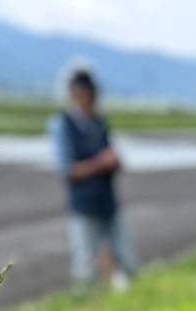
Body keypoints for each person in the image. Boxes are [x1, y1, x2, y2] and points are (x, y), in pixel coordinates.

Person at [50, 68, 138, 291]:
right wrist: (101, 162)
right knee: (85, 264)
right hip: (83, 204)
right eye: (85, 92)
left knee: (126, 257)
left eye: (92, 92)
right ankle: (86, 300)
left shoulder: (100, 123)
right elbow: (67, 170)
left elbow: (111, 159)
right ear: (75, 94)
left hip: (107, 201)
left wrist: (114, 162)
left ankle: (122, 291)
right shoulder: (63, 125)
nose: (90, 98)